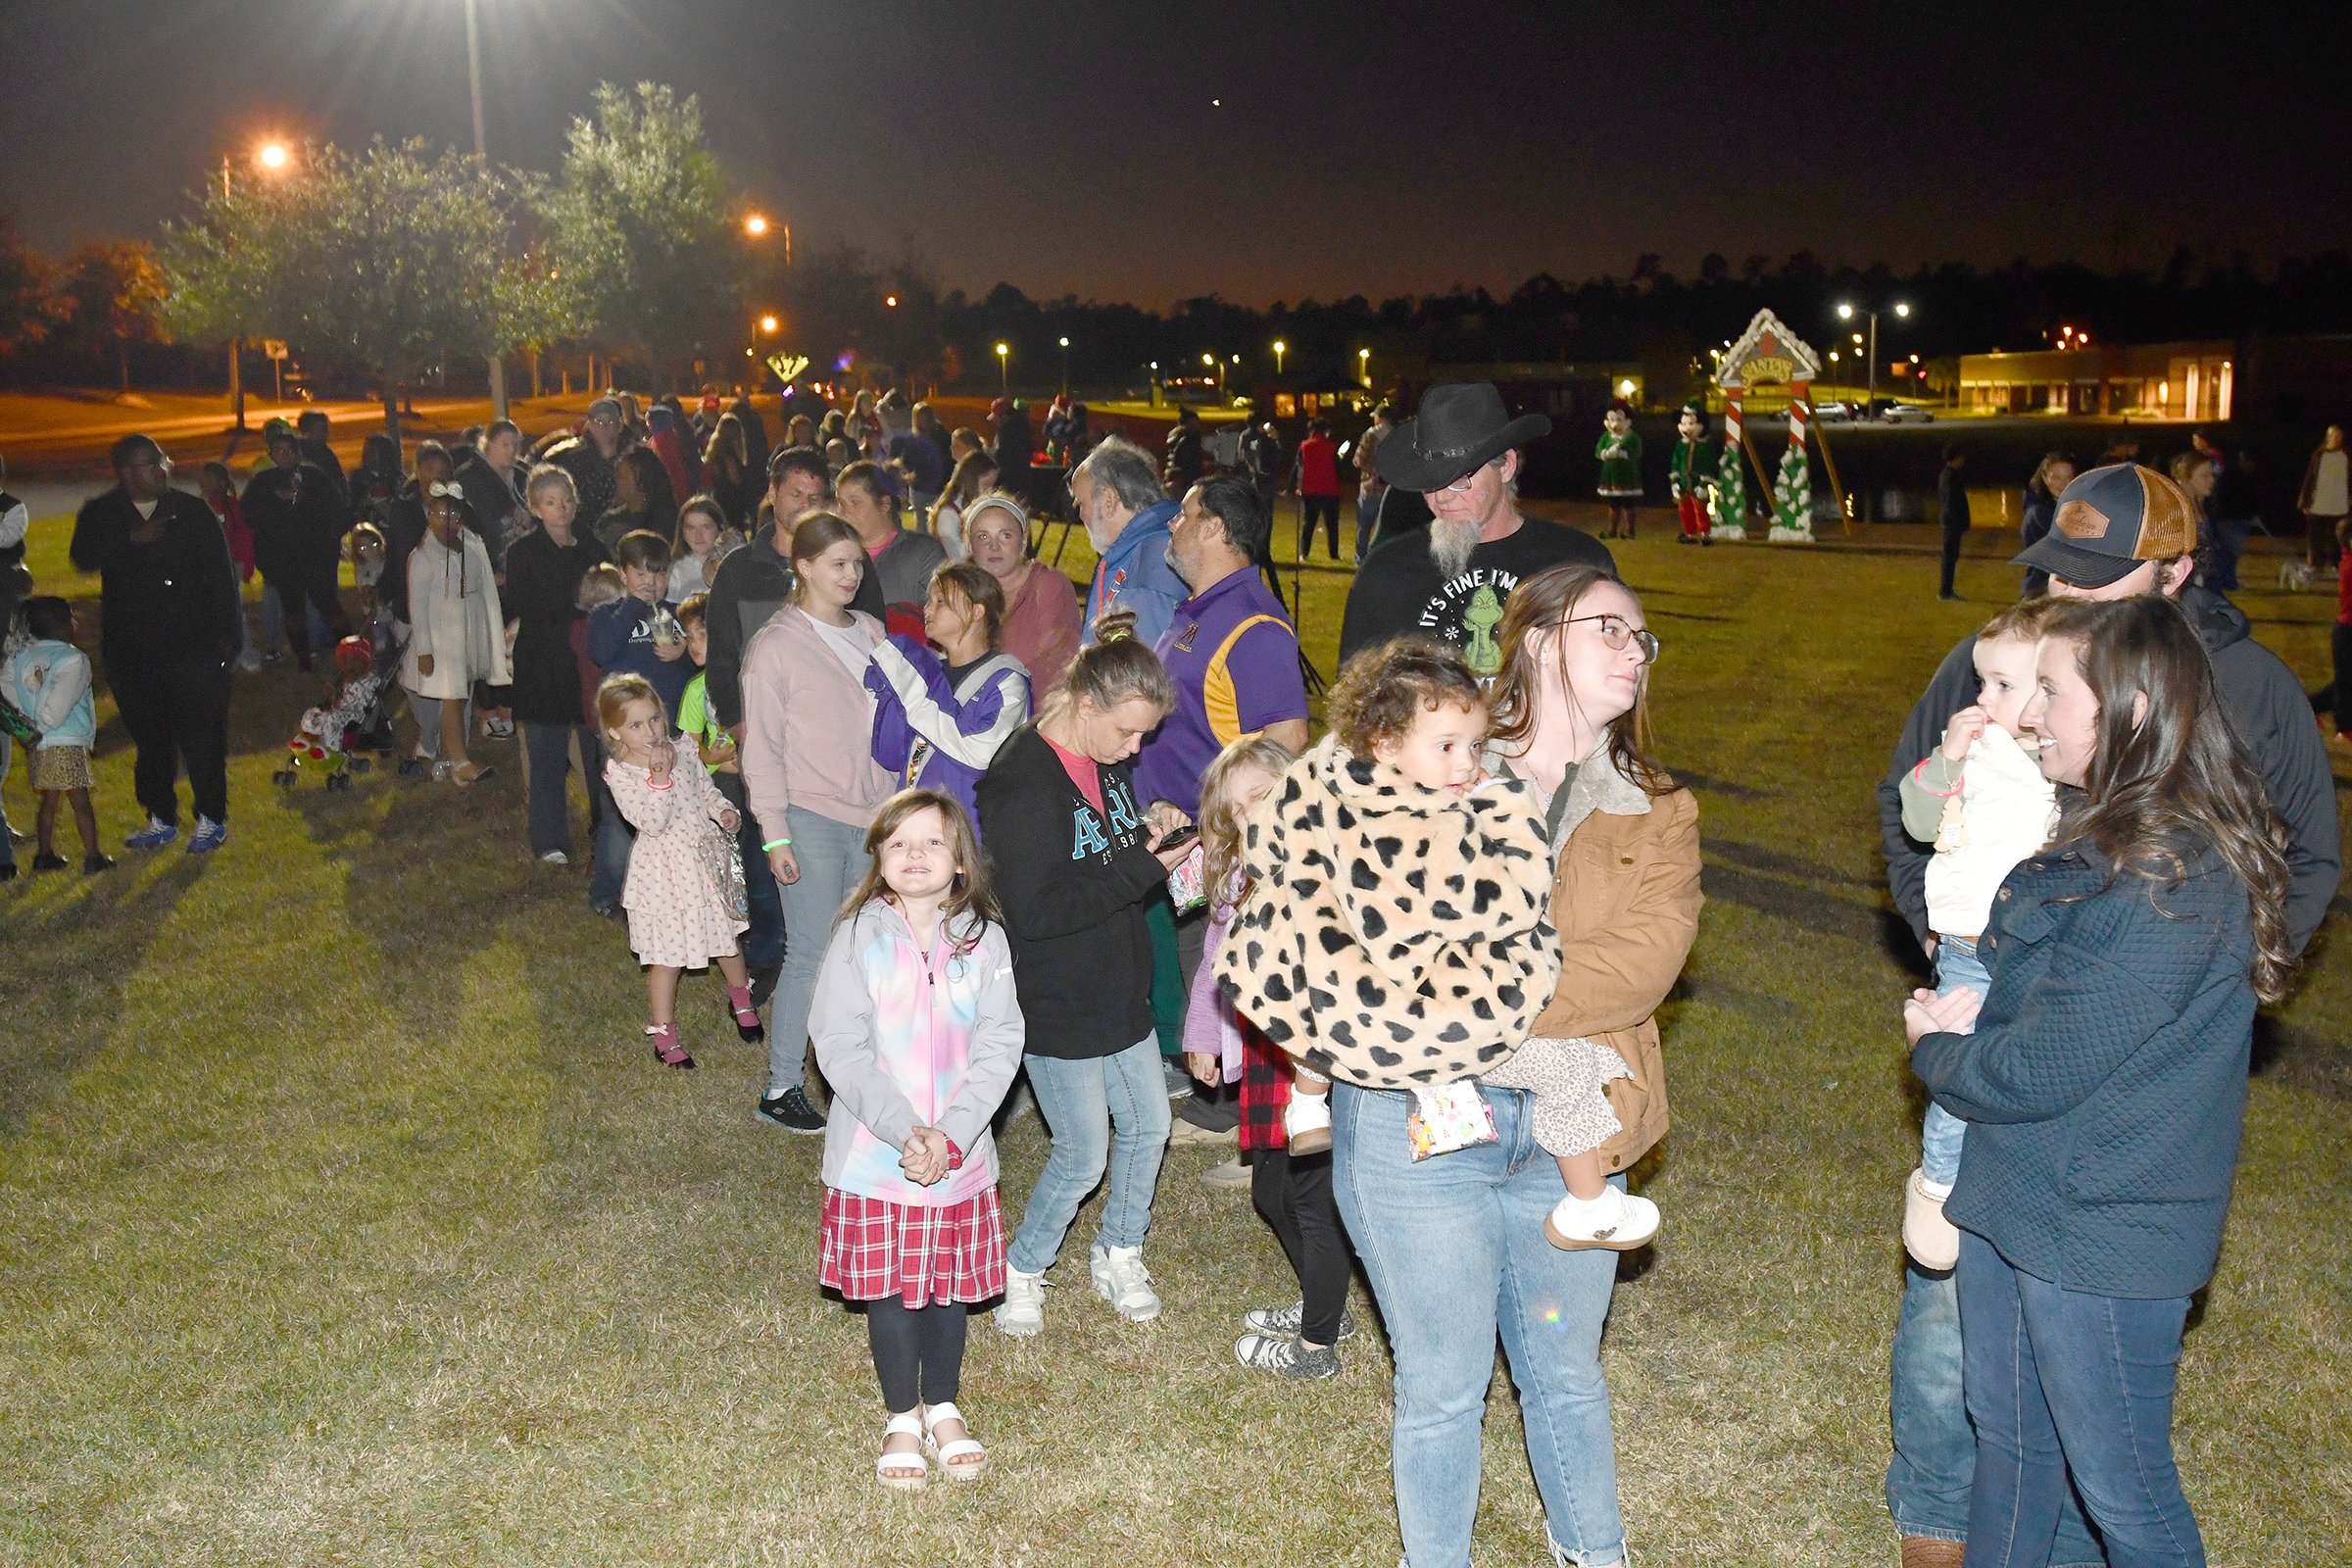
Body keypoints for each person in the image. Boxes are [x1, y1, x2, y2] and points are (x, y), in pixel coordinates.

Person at [1877, 461, 2339, 1568]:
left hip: (2100, 1198)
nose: (2022, 714)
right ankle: (1939, 1519)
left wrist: (1952, 1042)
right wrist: (1965, 943)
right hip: (2023, 1175)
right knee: (2015, 1444)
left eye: (2052, 698)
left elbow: (2060, 1049)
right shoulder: (2078, 771)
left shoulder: (2176, 861)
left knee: (2116, 1482)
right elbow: (1921, 811)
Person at [1259, 564, 1694, 1568]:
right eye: (1612, 630)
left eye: (1644, 640)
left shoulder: (1657, 808)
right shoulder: (1427, 749)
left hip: (1574, 1117)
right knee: (1444, 1380)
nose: (1637, 652)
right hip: (1421, 1128)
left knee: (1564, 1367)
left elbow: (1640, 967)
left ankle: (1594, 1550)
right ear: (1538, 638)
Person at [976, 639, 1191, 1336]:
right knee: (1081, 1153)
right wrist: (1143, 870)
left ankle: (1119, 1250)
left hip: (1117, 982)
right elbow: (1035, 912)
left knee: (1151, 1125)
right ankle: (1023, 1269)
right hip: (1056, 995)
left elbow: (1105, 849)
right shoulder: (1022, 780)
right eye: (1127, 731)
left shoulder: (1105, 760)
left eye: (1144, 736)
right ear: (1085, 703)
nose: (1134, 750)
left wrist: (1148, 825)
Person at [811, 788, 1023, 1489]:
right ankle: (902, 1414)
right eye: (898, 842)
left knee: (948, 1289)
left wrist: (953, 1135)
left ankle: (944, 1405)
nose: (915, 856)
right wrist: (908, 1131)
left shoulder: (985, 939)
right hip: (879, 1156)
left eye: (933, 842)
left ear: (960, 860)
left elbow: (1000, 1043)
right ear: (877, 856)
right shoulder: (856, 936)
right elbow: (839, 1046)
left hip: (959, 1157)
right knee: (895, 1292)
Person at [1180, 734, 1361, 1377]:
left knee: (1313, 1197)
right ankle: (1325, 1303)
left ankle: (1316, 1351)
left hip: (1320, 1056)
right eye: (1237, 810)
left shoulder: (1329, 861)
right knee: (1272, 1191)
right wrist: (1204, 1034)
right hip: (1265, 1053)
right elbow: (1213, 964)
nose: (1251, 817)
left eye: (1262, 797)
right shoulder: (1240, 877)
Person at [1889, 600, 2060, 1271]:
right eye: (1981, 682)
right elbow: (1920, 820)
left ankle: (2023, 1189)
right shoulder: (1972, 750)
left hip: (2044, 945)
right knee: (1958, 1058)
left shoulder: (2068, 758)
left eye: (2003, 685)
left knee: (2030, 1068)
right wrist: (1947, 761)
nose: (1983, 698)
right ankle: (1938, 1183)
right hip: (1968, 942)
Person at [740, 514, 899, 1134]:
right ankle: (782, 1084)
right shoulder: (777, 646)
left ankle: (859, 1071)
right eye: (838, 564)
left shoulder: (872, 633)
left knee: (865, 950)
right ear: (803, 567)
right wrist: (774, 832)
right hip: (809, 814)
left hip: (874, 817)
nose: (852, 575)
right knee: (811, 949)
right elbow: (763, 751)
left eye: (858, 563)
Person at [1340, 382, 1616, 672]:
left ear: (1506, 465)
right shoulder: (1386, 572)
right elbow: (1357, 702)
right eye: (1429, 482)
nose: (1440, 497)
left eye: (1460, 478)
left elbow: (1609, 682)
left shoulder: (1576, 565)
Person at [70, 435, 240, 855]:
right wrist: (130, 539)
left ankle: (211, 818)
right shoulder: (103, 513)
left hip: (193, 646)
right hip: (134, 650)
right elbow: (82, 556)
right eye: (150, 463)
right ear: (126, 472)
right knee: (150, 737)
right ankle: (160, 815)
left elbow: (221, 578)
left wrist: (227, 641)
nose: (162, 468)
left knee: (202, 734)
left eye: (162, 458)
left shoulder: (192, 511)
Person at [597, 672, 763, 1071]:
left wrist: (722, 810)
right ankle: (664, 1032)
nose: (651, 730)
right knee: (666, 956)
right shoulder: (622, 775)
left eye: (654, 719)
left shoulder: (685, 750)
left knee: (726, 937)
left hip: (704, 861)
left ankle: (740, 997)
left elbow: (703, 790)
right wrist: (658, 778)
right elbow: (650, 821)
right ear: (615, 732)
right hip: (665, 875)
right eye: (635, 725)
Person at [1133, 474, 1311, 818]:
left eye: (1184, 514)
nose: (1173, 525)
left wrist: (1225, 826)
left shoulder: (1253, 624)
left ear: (1213, 527)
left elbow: (1288, 735)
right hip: (1167, 830)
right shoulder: (1204, 607)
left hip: (1203, 844)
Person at [866, 563, 1030, 829]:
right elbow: (890, 754)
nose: (927, 610)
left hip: (968, 831)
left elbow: (979, 752)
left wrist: (916, 694)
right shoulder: (926, 674)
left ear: (977, 611)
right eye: (928, 601)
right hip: (915, 821)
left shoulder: (1006, 681)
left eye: (940, 601)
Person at [504, 465, 610, 866]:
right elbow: (521, 604)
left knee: (599, 754)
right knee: (546, 756)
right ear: (535, 508)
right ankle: (550, 839)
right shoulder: (524, 553)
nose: (561, 509)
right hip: (543, 665)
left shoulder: (593, 548)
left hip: (587, 664)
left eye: (566, 501)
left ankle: (606, 831)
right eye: (551, 503)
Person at [400, 477, 508, 786]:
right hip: (441, 638)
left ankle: (446, 749)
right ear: (429, 516)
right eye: (440, 515)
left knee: (461, 694)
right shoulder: (422, 557)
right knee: (449, 695)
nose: (447, 522)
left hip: (467, 632)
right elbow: (417, 608)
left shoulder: (472, 544)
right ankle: (460, 762)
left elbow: (484, 585)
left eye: (453, 516)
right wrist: (424, 650)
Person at [5, 596, 111, 873]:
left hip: (37, 744)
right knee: (81, 803)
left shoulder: (22, 656)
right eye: (71, 619)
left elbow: (7, 687)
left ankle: (44, 855)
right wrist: (44, 721)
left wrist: (26, 719)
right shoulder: (72, 659)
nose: (74, 624)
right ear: (60, 625)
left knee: (49, 802)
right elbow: (58, 706)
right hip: (64, 742)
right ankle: (93, 857)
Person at [242, 421, 351, 671]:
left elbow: (334, 510)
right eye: (279, 452)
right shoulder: (263, 481)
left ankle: (349, 650)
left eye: (289, 451)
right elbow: (250, 514)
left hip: (314, 557)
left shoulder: (314, 477)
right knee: (293, 608)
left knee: (328, 603)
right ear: (271, 455)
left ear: (298, 453)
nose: (285, 456)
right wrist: (278, 506)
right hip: (282, 560)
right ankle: (302, 657)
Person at [1072, 434, 1188, 650]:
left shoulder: (1147, 569)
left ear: (1108, 500)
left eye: (1081, 503)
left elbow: (1142, 675)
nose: (1080, 514)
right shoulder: (1146, 547)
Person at [965, 492, 1080, 694]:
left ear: (1024, 541)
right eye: (983, 537)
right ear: (969, 545)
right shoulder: (964, 593)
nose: (994, 546)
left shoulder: (1048, 586)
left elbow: (1059, 664)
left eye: (1005, 535)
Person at [836, 460, 948, 637]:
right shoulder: (833, 556)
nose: (843, 513)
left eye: (855, 503)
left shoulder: (923, 553)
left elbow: (944, 619)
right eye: (841, 503)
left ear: (885, 504)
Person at [197, 462, 260, 671]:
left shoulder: (230, 507)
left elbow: (243, 538)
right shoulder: (208, 506)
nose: (202, 483)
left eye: (207, 479)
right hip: (217, 568)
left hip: (231, 566)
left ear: (221, 483)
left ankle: (247, 656)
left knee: (234, 614)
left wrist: (246, 566)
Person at [672, 592, 736, 779]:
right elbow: (690, 742)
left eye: (701, 634)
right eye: (689, 637)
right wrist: (710, 756)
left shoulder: (748, 676)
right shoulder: (696, 689)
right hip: (722, 778)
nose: (693, 644)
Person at [546, 396, 626, 527]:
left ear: (619, 426)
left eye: (610, 422)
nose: (604, 427)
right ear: (590, 425)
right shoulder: (575, 459)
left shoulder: (628, 457)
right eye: (599, 422)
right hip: (585, 532)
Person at [596, 446, 678, 554]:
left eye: (622, 476)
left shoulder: (669, 522)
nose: (616, 481)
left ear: (642, 480)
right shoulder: (609, 522)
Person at [2017, 453, 2075, 599]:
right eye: (2056, 477)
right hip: (2043, 590)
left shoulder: (2079, 506)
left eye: (2068, 478)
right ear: (2045, 478)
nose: (2062, 483)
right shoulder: (2038, 512)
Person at [929, 449, 1000, 563]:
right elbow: (957, 558)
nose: (990, 492)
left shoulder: (971, 508)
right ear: (971, 481)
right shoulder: (948, 514)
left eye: (992, 486)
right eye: (986, 486)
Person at [667, 495, 740, 604]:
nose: (698, 535)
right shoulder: (674, 573)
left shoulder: (737, 562)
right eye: (691, 528)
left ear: (721, 529)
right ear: (682, 532)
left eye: (705, 527)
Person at [2297, 424, 2348, 572]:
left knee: (2336, 537)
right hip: (2319, 502)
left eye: (2339, 436)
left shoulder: (2346, 455)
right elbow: (2310, 479)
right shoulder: (2319, 455)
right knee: (2315, 536)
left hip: (2338, 503)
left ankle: (2335, 563)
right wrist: (2305, 501)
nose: (2337, 439)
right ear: (2328, 437)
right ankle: (2315, 564)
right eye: (2334, 436)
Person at [1294, 418, 1346, 562]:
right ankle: (1333, 554)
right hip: (1330, 489)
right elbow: (1338, 469)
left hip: (1310, 489)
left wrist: (1297, 486)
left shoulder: (1304, 446)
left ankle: (1304, 553)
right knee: (1332, 525)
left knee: (1308, 524)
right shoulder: (1332, 446)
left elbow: (1299, 468)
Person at [702, 413, 761, 529]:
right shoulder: (729, 454)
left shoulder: (715, 453)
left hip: (719, 495)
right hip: (733, 499)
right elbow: (734, 477)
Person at [1594, 400, 1642, 539]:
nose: (1615, 424)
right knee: (1613, 504)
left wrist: (1622, 453)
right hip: (1611, 476)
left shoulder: (1632, 437)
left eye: (1619, 419)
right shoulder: (1606, 436)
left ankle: (1629, 530)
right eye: (1611, 419)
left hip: (1627, 476)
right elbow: (1598, 450)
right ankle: (1612, 529)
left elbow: (1636, 452)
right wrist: (1605, 453)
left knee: (1628, 504)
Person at [1668, 401, 1714, 546]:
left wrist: (1704, 483)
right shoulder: (1681, 445)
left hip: (1697, 482)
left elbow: (1709, 466)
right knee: (1685, 509)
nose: (1687, 428)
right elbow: (1675, 464)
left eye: (1691, 424)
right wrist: (1674, 482)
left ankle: (1705, 533)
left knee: (1701, 509)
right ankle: (1690, 533)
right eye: (1684, 423)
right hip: (1683, 482)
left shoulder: (1705, 446)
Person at [1351, 404, 1394, 561]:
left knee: (1365, 525)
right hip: (1391, 488)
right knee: (1386, 528)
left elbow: (1360, 459)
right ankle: (1384, 558)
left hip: (1371, 486)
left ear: (1380, 417)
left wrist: (1357, 461)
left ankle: (1361, 558)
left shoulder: (1371, 434)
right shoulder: (1397, 434)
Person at [1936, 445, 1971, 602]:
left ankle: (1947, 590)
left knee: (1950, 556)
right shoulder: (1951, 477)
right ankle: (1945, 591)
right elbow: (1953, 503)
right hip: (1952, 523)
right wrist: (1959, 522)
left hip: (1951, 522)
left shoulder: (1948, 474)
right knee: (1950, 557)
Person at [1239, 418, 1283, 524]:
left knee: (1255, 510)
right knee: (1265, 511)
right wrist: (1276, 439)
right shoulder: (1264, 438)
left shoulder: (1246, 435)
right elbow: (1279, 455)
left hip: (1255, 476)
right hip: (1264, 477)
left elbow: (1241, 455)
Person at [1162, 406, 1207, 498]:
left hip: (1176, 479)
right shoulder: (1188, 441)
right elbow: (1188, 464)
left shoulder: (1178, 438)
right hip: (1183, 483)